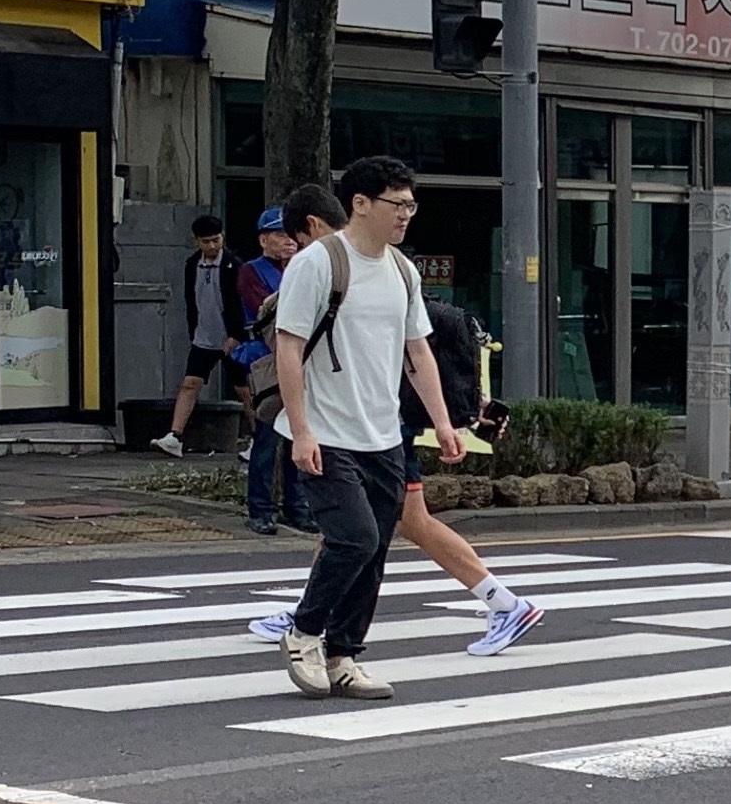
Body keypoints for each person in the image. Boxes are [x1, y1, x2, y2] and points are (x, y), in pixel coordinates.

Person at [246, 199, 542, 658]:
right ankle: (318, 610)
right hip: (370, 423)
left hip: (382, 426)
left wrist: (445, 420)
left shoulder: (362, 266)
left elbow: (412, 352)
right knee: (354, 525)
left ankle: (503, 602)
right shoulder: (358, 265)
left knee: (401, 522)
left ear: (312, 226)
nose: (297, 251)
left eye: (299, 239)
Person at [270, 159, 461, 700]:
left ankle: (343, 655)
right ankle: (305, 630)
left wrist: (443, 423)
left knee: (375, 549)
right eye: (396, 204)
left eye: (410, 204)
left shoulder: (403, 270)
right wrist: (301, 430)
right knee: (355, 537)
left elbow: (416, 348)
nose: (406, 214)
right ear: (360, 203)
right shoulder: (318, 263)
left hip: (384, 435)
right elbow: (288, 344)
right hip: (326, 431)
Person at [235, 206, 314, 537]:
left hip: (303, 362)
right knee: (266, 439)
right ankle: (261, 509)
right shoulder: (252, 272)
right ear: (263, 239)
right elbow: (268, 311)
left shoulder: (304, 269)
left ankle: (297, 508)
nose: (289, 242)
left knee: (300, 435)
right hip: (269, 362)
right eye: (280, 235)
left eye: (291, 234)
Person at [155, 212, 236, 456]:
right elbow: (191, 300)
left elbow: (238, 302)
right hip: (203, 336)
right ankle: (175, 436)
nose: (212, 246)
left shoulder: (234, 264)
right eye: (206, 241)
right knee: (190, 383)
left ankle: (257, 437)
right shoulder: (192, 264)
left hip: (230, 337)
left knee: (244, 388)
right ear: (196, 242)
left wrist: (236, 334)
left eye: (216, 240)